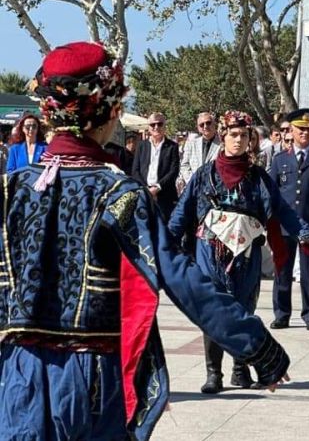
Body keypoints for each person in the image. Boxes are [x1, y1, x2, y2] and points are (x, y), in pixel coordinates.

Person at [0, 41, 293, 441]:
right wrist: (259, 347)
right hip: (92, 380)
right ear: (110, 112)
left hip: (16, 375)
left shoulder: (10, 188)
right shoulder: (119, 195)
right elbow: (185, 280)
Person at [169, 110, 309, 394]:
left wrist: (304, 232)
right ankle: (214, 373)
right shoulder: (203, 175)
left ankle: (239, 369)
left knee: (243, 310)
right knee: (213, 311)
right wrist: (161, 244)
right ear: (223, 136)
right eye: (233, 135)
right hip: (209, 254)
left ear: (250, 139)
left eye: (244, 135)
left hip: (246, 256)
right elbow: (181, 213)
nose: (238, 140)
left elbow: (283, 210)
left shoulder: (259, 178)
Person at [269, 109, 309, 331]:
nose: (304, 133)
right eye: (300, 129)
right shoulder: (280, 160)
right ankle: (282, 314)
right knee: (282, 272)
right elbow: (272, 194)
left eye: (308, 129)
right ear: (292, 131)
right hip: (285, 225)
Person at [131, 112, 180, 218]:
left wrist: (157, 188)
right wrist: (147, 190)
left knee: (165, 230)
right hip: (144, 194)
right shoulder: (141, 146)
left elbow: (174, 171)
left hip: (165, 196)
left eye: (159, 124)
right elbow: (135, 170)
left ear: (164, 126)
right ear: (148, 127)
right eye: (153, 125)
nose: (156, 127)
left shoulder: (172, 147)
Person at [178, 112, 221, 192]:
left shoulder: (223, 144)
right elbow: (184, 165)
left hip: (215, 189)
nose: (205, 126)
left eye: (208, 123)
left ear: (214, 124)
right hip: (194, 189)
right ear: (198, 128)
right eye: (202, 125)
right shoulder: (191, 144)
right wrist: (193, 181)